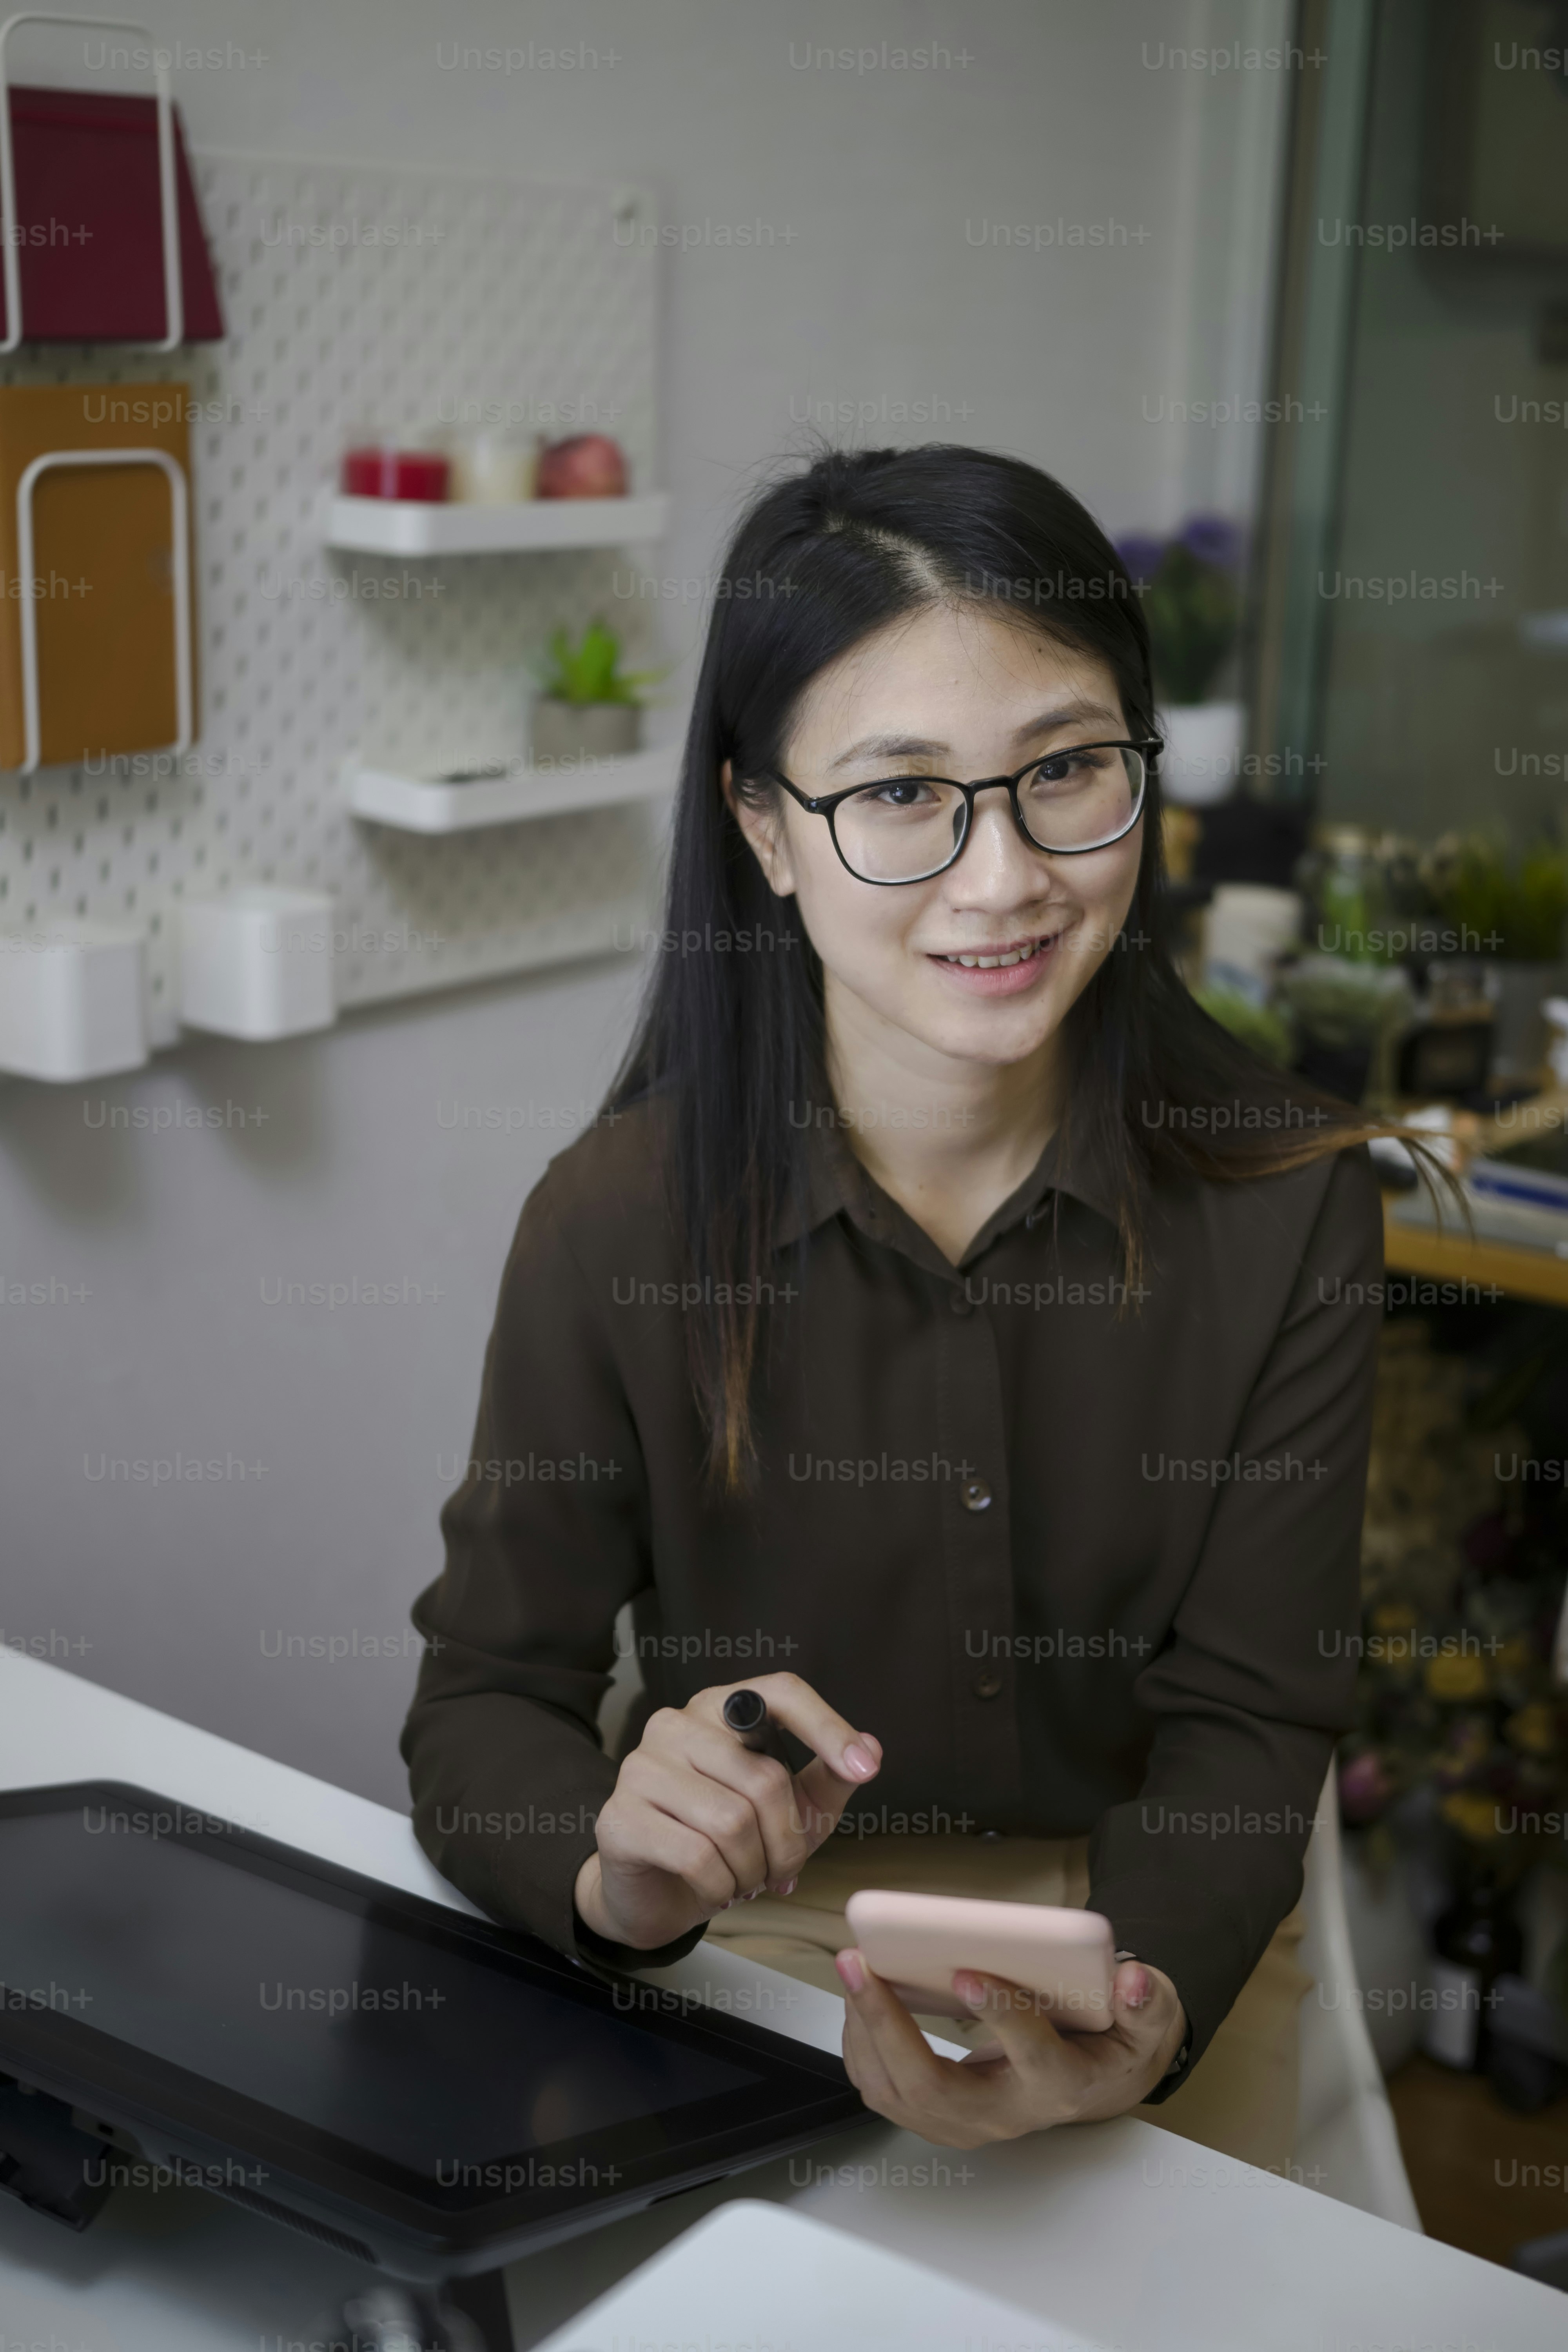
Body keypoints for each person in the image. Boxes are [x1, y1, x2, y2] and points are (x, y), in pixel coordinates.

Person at [401, 444, 1384, 2170]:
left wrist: (1139, 2005)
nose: (1002, 878)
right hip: (758, 1938)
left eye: (1065, 769)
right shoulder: (613, 1221)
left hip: (1151, 1935)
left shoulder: (1289, 1200)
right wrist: (618, 1880)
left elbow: (1247, 1726)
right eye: (904, 793)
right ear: (764, 830)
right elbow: (486, 1699)